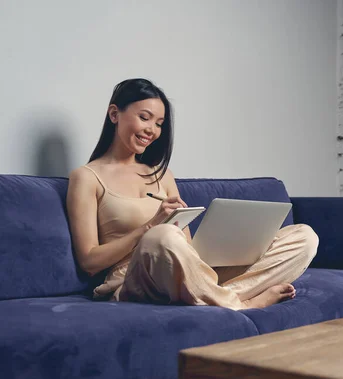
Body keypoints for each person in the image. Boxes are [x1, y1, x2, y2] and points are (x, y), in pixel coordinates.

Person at [66, 78, 318, 310]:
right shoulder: (87, 177)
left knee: (304, 237)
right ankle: (242, 303)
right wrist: (149, 227)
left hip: (185, 271)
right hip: (134, 278)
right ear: (114, 114)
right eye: (145, 117)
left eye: (159, 124)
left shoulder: (162, 175)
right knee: (162, 235)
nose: (151, 130)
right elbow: (89, 262)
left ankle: (215, 294)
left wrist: (223, 245)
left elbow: (184, 245)